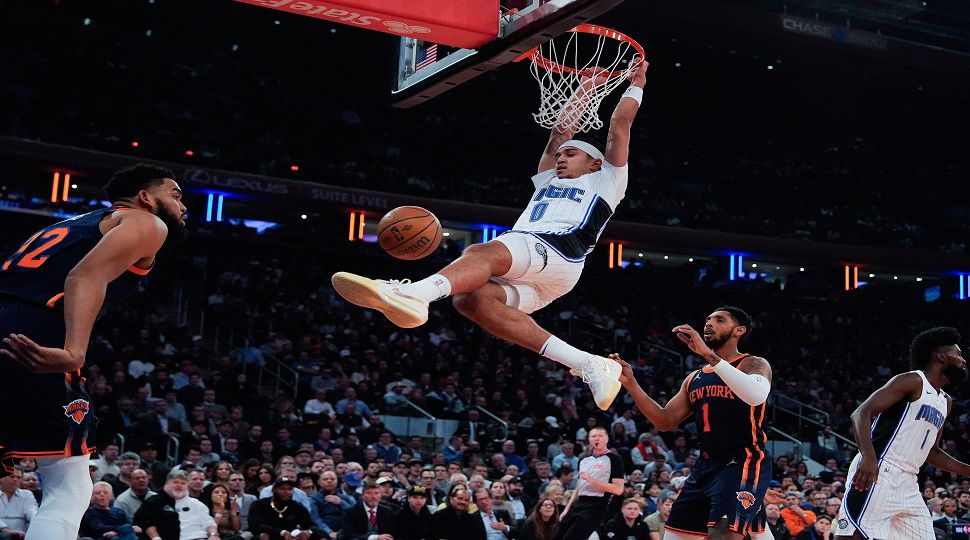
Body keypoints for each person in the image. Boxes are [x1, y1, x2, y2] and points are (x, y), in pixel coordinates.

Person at [330, 59, 649, 411]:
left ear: (594, 163)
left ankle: (414, 293)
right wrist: (586, 87)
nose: (560, 157)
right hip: (550, 273)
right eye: (559, 155)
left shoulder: (607, 180)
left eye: (570, 154)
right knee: (471, 300)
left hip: (557, 249)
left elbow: (620, 124)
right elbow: (559, 131)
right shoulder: (548, 180)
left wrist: (636, 83)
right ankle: (590, 363)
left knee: (483, 251)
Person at [0, 164, 187, 540]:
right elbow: (84, 276)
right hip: (29, 331)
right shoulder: (148, 223)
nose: (183, 206)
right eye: (176, 195)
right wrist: (74, 352)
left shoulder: (72, 224)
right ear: (146, 197)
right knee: (69, 484)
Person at [610, 306, 773, 540]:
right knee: (675, 536)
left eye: (719, 320)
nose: (709, 323)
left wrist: (709, 355)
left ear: (739, 330)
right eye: (707, 319)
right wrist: (631, 384)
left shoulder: (754, 364)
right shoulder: (694, 378)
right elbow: (665, 421)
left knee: (723, 535)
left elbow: (756, 395)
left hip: (743, 461)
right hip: (705, 466)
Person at [835, 327, 970, 540]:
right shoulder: (912, 381)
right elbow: (861, 413)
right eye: (958, 354)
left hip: (909, 482)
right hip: (879, 470)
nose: (963, 360)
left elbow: (932, 452)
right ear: (941, 356)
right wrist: (869, 457)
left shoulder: (946, 401)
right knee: (853, 535)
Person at [554, 427, 624, 540]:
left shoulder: (615, 459)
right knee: (556, 536)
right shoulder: (583, 460)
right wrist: (567, 509)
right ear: (589, 440)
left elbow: (618, 489)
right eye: (593, 436)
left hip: (596, 506)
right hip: (578, 503)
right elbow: (579, 487)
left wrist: (592, 480)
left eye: (600, 436)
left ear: (607, 439)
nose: (597, 438)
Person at [134, 470, 220, 540]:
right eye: (176, 482)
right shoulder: (154, 501)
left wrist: (213, 534)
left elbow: (209, 524)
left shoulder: (197, 504)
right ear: (167, 483)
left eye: (183, 483)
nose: (179, 486)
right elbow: (146, 522)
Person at [248, 477, 320, 540]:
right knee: (263, 536)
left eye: (290, 489)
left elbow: (312, 525)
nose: (287, 492)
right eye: (282, 489)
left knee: (320, 535)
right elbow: (255, 525)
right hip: (271, 535)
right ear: (273, 490)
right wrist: (281, 532)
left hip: (291, 537)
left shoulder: (296, 506)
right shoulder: (259, 504)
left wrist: (308, 532)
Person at [0, 468, 37, 539]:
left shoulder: (27, 494)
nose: (15, 479)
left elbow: (32, 511)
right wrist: (6, 529)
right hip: (1, 534)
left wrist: (37, 523)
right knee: (5, 536)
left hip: (21, 535)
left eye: (18, 477)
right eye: (12, 476)